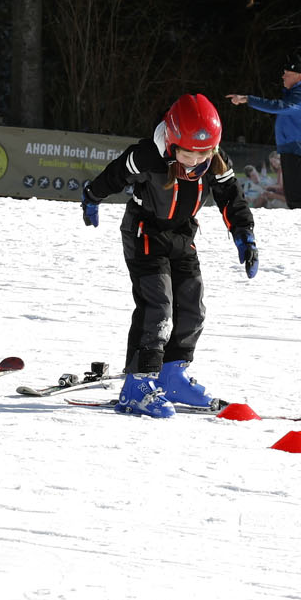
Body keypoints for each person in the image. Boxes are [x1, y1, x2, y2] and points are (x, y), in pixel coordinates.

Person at [81, 93, 258, 418]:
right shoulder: (147, 156)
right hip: (144, 232)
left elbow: (231, 198)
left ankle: (172, 375)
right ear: (173, 141)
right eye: (188, 153)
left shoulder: (216, 162)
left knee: (192, 304)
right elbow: (115, 174)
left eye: (204, 153)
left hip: (182, 235)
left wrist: (244, 234)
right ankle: (137, 384)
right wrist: (92, 196)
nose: (195, 162)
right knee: (157, 306)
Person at [227, 54, 301, 209]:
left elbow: (277, 106)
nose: (283, 77)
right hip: (292, 147)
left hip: (298, 148)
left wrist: (248, 99)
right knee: (294, 198)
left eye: (286, 74)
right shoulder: (297, 93)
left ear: (298, 76)